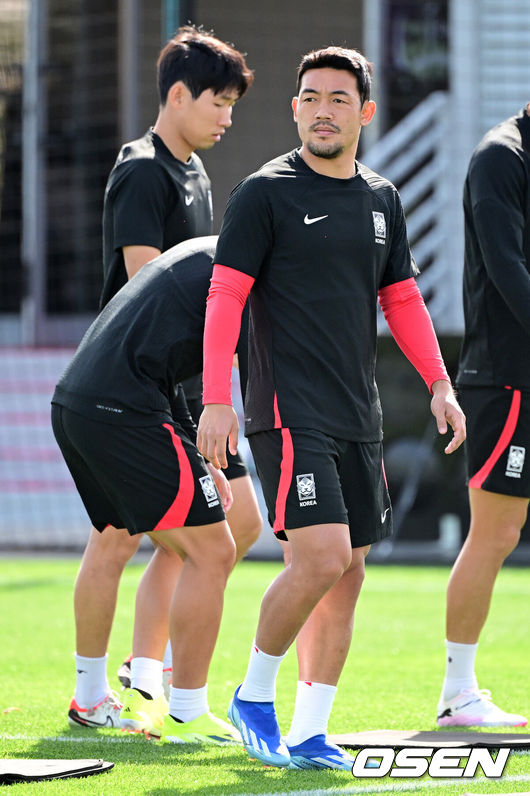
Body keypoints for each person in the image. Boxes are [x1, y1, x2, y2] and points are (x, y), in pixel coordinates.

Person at [197, 45, 466, 770]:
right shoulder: (263, 192)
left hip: (359, 411)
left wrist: (439, 382)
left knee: (349, 571)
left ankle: (312, 730)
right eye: (310, 97)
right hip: (287, 408)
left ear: (365, 113)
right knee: (318, 558)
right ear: (294, 109)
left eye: (339, 99)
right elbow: (225, 295)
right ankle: (254, 696)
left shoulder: (382, 199)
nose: (323, 109)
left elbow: (401, 297)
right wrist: (215, 398)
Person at [68, 26, 258, 731]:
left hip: (184, 381)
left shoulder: (196, 172)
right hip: (138, 386)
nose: (227, 117)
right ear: (177, 96)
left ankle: (146, 666)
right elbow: (151, 280)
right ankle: (107, 689)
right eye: (218, 102)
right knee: (118, 539)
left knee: (237, 520)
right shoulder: (140, 168)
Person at [54, 236, 251, 743]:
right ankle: (184, 709)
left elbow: (172, 376)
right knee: (213, 550)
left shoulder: (211, 253)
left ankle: (94, 697)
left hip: (76, 403)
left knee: (113, 541)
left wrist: (199, 459)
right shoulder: (242, 270)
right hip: (122, 411)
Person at [436, 104, 530, 728]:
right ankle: (457, 693)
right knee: (494, 534)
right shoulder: (502, 155)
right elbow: (506, 268)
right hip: (507, 378)